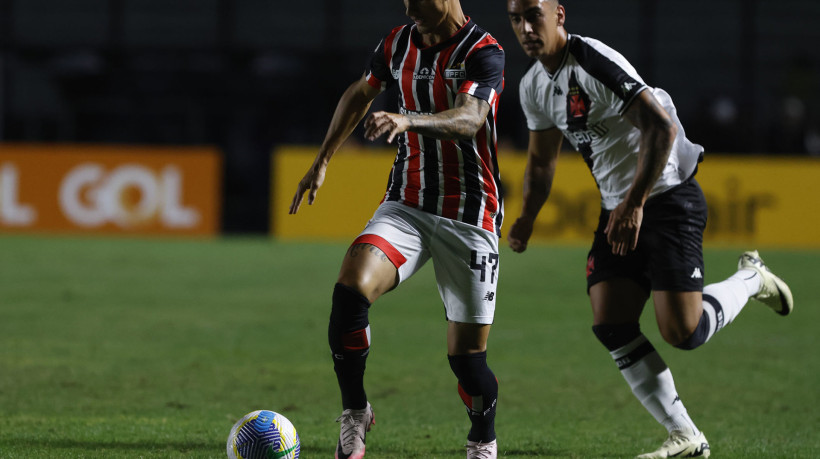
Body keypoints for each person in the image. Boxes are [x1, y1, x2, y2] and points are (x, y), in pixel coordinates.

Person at [504, 1, 794, 458]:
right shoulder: (534, 86)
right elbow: (541, 160)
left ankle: (751, 278)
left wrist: (636, 203)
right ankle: (686, 435)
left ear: (559, 15)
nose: (524, 28)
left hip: (667, 198)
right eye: (515, 19)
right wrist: (526, 216)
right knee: (611, 320)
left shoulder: (593, 61)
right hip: (619, 209)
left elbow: (660, 128)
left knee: (684, 332)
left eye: (533, 16)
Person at [289, 1, 505, 458]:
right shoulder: (397, 43)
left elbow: (470, 119)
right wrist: (323, 159)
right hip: (406, 204)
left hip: (470, 215)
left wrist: (407, 119)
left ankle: (482, 439)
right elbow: (359, 92)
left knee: (468, 363)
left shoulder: (483, 51)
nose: (410, 7)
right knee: (350, 290)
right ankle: (355, 412)